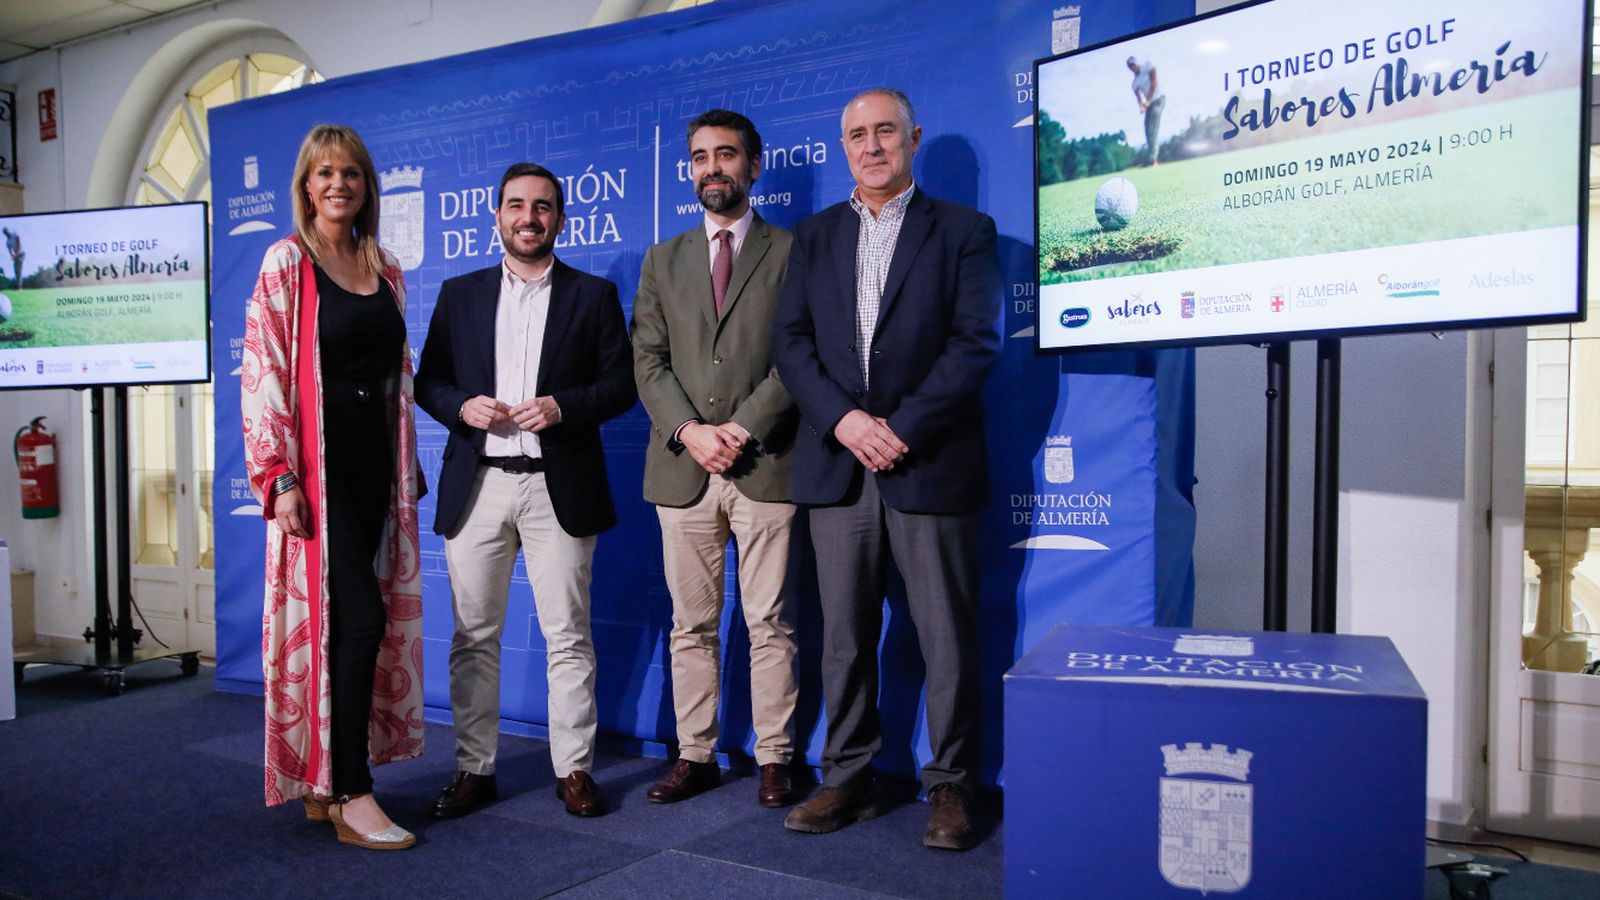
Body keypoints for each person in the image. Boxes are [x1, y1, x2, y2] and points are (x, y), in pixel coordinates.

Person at [772, 88, 1001, 851]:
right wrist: (844, 421)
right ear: (843, 147)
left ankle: (952, 785)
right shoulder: (813, 236)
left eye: (885, 132)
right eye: (857, 135)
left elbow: (975, 343)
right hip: (838, 466)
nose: (871, 146)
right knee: (843, 637)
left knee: (945, 638)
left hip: (928, 459)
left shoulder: (964, 231)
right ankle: (848, 776)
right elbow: (790, 344)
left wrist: (899, 429)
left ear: (913, 137)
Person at [415, 161, 635, 819]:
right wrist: (462, 407)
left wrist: (563, 407)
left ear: (560, 219)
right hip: (478, 484)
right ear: (498, 216)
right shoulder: (460, 294)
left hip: (557, 486)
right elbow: (428, 382)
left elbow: (621, 385)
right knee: (473, 636)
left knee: (568, 635)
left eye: (542, 206)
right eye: (516, 205)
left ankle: (575, 769)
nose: (528, 217)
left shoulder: (593, 296)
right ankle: (474, 769)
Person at [240, 123, 425, 851]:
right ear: (306, 187)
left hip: (374, 465)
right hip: (316, 475)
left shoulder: (386, 266)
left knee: (353, 623)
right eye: (324, 173)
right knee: (357, 621)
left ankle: (326, 784)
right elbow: (263, 371)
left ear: (366, 186)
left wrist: (406, 460)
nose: (338, 184)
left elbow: (396, 376)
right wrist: (278, 475)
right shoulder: (288, 261)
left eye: (350, 173)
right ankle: (351, 790)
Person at [632, 109, 800, 808]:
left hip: (767, 465)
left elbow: (800, 355)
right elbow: (647, 359)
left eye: (726, 155)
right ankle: (695, 755)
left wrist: (740, 428)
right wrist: (690, 431)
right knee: (691, 626)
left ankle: (775, 757)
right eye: (700, 157)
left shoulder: (790, 251)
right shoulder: (661, 259)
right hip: (684, 469)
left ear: (753, 166)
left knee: (771, 623)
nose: (712, 168)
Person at [1127, 56, 1164, 166]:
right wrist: (1141, 106)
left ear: (1137, 63)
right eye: (1130, 67)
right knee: (1147, 130)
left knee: (1152, 129)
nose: (1132, 67)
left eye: (1133, 65)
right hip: (1149, 105)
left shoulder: (1148, 65)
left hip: (1158, 99)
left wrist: (1147, 101)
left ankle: (1153, 160)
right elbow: (1138, 97)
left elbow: (1154, 82)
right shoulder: (1134, 83)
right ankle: (1151, 158)